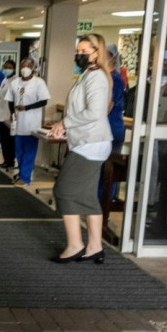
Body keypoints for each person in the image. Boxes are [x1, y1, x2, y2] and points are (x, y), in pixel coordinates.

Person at [48, 33, 113, 264]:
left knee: (64, 190)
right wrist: (66, 127)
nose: (79, 55)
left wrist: (64, 123)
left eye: (84, 52)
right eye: (78, 51)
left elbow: (95, 113)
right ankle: (94, 246)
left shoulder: (96, 77)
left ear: (97, 52)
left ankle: (76, 244)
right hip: (87, 141)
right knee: (85, 195)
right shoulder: (89, 74)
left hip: (91, 143)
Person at [5, 58, 50, 186]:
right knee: (19, 151)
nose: (25, 68)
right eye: (23, 65)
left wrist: (26, 107)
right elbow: (10, 100)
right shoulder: (15, 82)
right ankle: (21, 173)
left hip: (32, 123)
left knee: (29, 151)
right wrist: (12, 113)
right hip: (18, 123)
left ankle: (25, 178)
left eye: (28, 66)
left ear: (33, 68)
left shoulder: (39, 83)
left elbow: (44, 101)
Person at [0, 59, 17, 169]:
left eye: (9, 67)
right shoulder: (4, 80)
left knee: (9, 139)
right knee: (3, 139)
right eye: (5, 67)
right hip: (1, 113)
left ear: (13, 69)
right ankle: (6, 159)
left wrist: (13, 112)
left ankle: (10, 160)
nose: (6, 69)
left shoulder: (15, 81)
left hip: (8, 114)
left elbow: (15, 98)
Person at [106, 45, 126, 153]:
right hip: (105, 127)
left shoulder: (115, 79)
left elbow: (108, 106)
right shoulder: (104, 76)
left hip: (112, 128)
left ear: (113, 58)